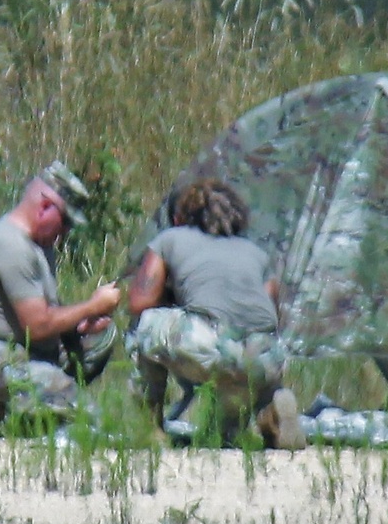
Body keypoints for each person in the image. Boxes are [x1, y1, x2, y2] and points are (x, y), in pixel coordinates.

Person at [126, 178, 305, 449]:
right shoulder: (257, 253)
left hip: (209, 341)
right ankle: (271, 410)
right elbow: (271, 314)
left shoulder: (169, 239)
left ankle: (150, 427)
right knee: (224, 423)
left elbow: (140, 302)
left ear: (179, 217)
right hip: (268, 355)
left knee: (142, 325)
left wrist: (173, 298)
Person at [0, 161, 121, 426]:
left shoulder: (39, 245)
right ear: (45, 206)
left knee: (102, 336)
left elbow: (48, 314)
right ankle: (15, 418)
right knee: (91, 425)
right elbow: (36, 327)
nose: (65, 232)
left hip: (30, 357)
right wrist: (92, 306)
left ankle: (38, 416)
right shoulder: (13, 246)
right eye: (65, 222)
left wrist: (81, 325)